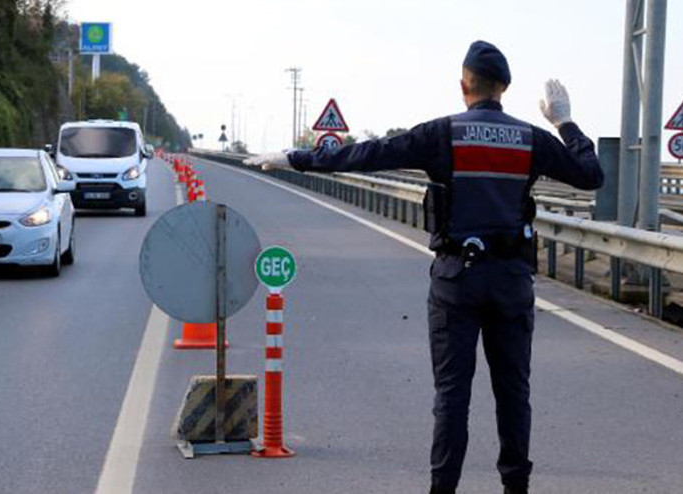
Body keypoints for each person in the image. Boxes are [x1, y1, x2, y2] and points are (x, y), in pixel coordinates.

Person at [244, 40, 603, 494]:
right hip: (512, 281)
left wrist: (296, 157)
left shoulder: (442, 134)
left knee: (452, 396)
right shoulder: (532, 139)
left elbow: (369, 155)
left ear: (462, 86)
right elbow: (590, 174)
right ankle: (516, 488)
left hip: (456, 280)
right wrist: (564, 121)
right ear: (505, 88)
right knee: (514, 394)